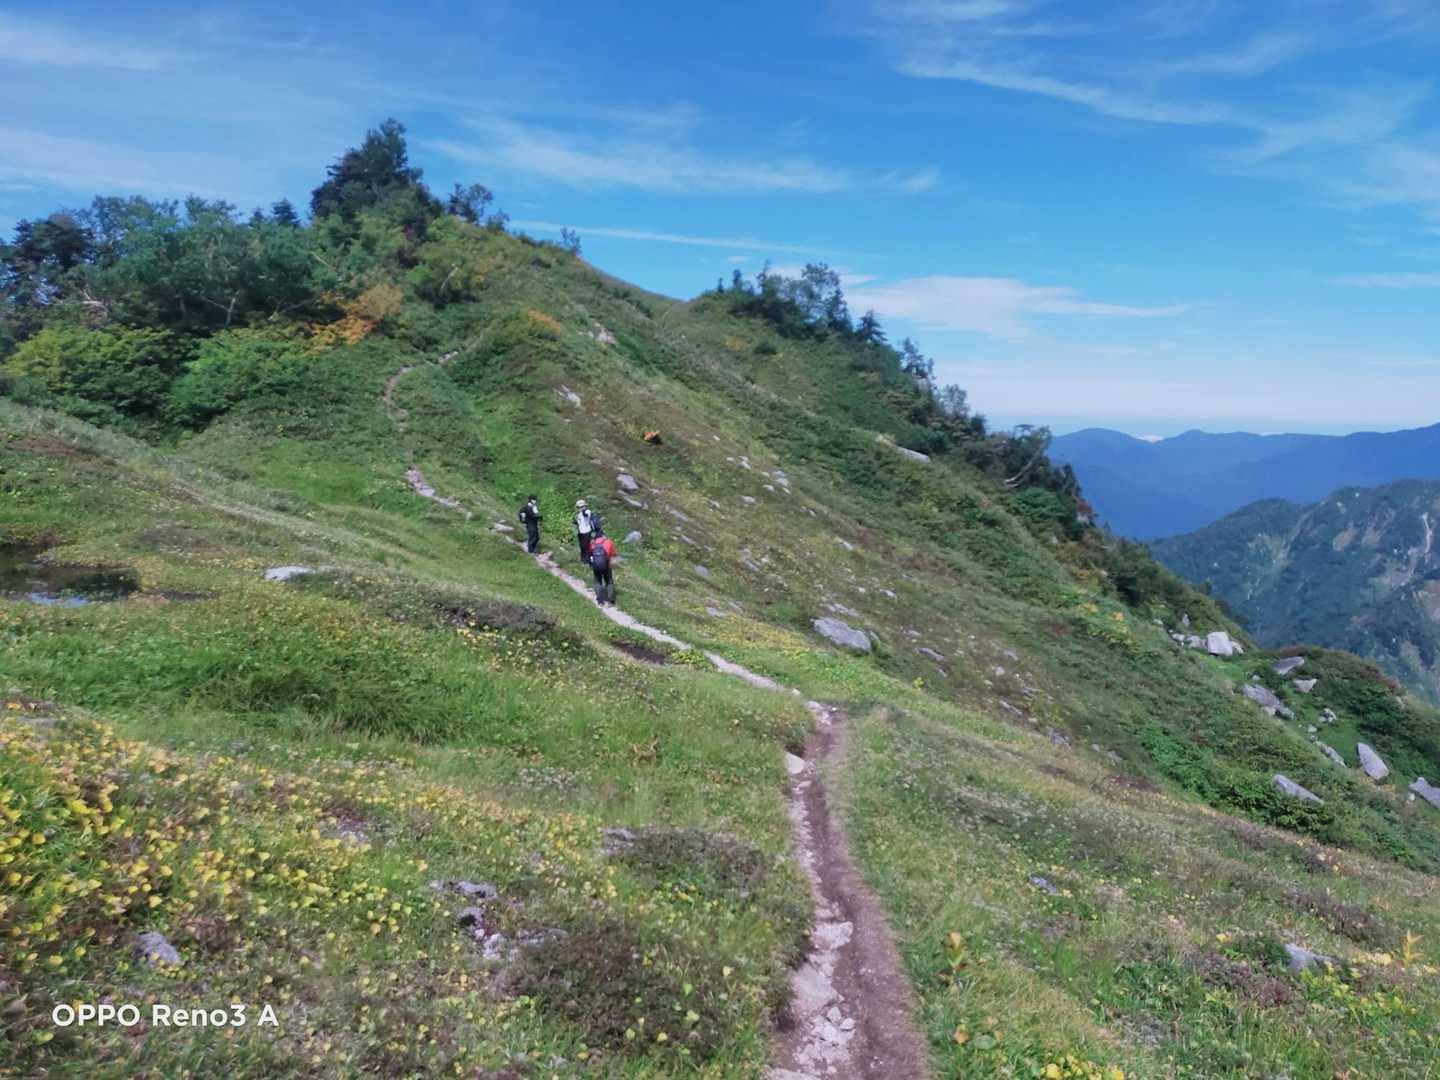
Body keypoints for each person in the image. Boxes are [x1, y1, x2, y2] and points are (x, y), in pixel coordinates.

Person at [589, 529, 617, 605]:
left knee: (597, 581)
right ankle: (611, 601)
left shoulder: (593, 543)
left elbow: (590, 554)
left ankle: (600, 600)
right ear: (603, 535)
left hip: (596, 566)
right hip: (607, 565)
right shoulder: (609, 542)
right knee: (609, 582)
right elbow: (614, 554)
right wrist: (612, 565)